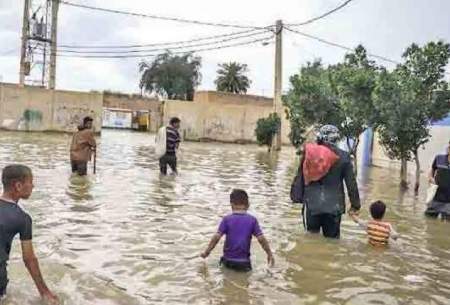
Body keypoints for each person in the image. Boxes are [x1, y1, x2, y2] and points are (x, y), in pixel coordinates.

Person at [0, 165, 59, 304]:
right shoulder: (22, 219)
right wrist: (45, 292)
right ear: (18, 186)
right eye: (30, 182)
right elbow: (29, 259)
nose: (33, 186)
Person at [293, 125, 361, 239]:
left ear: (320, 138)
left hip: (312, 205)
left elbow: (300, 176)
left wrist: (297, 196)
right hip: (334, 208)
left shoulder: (310, 153)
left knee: (310, 240)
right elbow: (351, 184)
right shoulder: (344, 157)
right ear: (337, 139)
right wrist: (355, 205)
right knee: (332, 243)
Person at [200, 189, 274, 272]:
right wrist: (269, 253)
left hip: (228, 261)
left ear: (231, 205)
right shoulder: (252, 220)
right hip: (244, 263)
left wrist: (207, 252)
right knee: (244, 283)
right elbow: (261, 239)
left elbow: (216, 237)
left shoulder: (226, 219)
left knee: (226, 281)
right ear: (248, 205)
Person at [425, 140, 450, 219]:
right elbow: (432, 169)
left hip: (448, 202)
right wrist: (430, 178)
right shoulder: (439, 158)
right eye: (449, 146)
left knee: (445, 225)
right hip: (435, 197)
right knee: (429, 220)